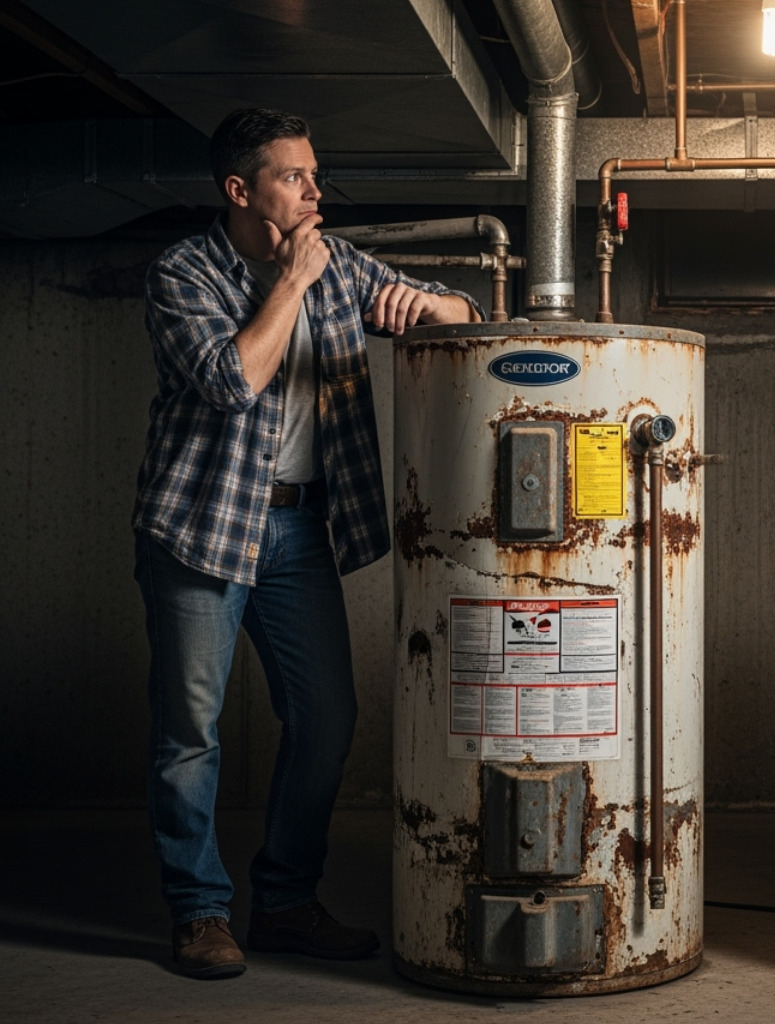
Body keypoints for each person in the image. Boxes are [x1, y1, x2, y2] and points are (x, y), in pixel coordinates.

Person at [133, 108, 482, 979]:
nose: (315, 192)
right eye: (295, 177)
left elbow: (462, 313)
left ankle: (285, 900)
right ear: (241, 190)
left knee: (325, 721)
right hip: (200, 528)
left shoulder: (338, 264)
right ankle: (200, 913)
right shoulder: (184, 272)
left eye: (314, 175)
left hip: (296, 527)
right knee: (191, 735)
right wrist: (290, 282)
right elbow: (231, 379)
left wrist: (427, 302)